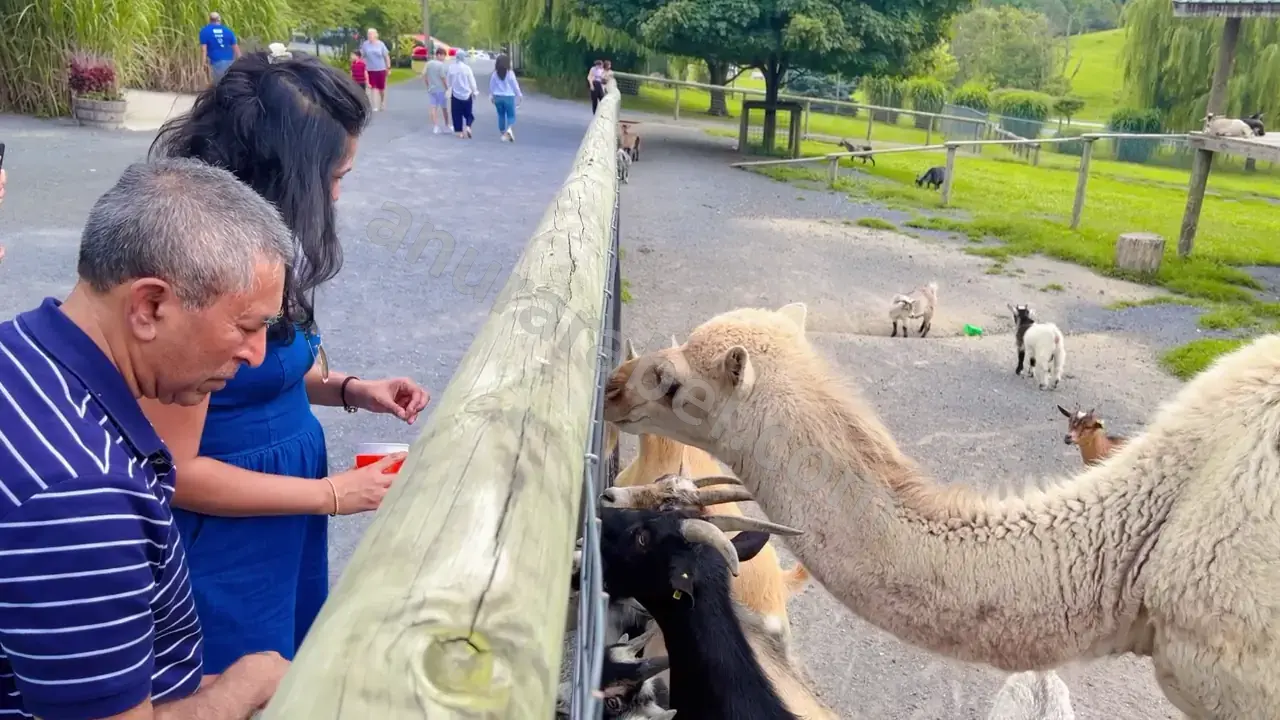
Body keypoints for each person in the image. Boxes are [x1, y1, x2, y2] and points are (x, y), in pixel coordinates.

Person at [145, 48, 432, 676]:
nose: (336, 194)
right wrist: (331, 493)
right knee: (234, 682)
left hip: (282, 518)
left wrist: (355, 389)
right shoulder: (194, 267)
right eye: (336, 175)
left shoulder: (260, 249)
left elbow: (266, 371)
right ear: (287, 172)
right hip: (223, 541)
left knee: (283, 670)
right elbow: (178, 472)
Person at [0, 157, 295, 719]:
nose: (256, 355)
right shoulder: (81, 496)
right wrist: (242, 686)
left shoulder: (19, 354)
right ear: (149, 306)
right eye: (248, 326)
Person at [489, 53, 523, 142]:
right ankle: (509, 129)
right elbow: (515, 85)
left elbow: (491, 86)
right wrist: (519, 95)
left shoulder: (494, 74)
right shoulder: (510, 73)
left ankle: (503, 132)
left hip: (498, 97)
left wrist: (491, 96)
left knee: (501, 115)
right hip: (509, 97)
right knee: (511, 115)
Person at [199, 11, 240, 84]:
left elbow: (203, 50)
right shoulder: (228, 31)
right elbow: (236, 48)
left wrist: (202, 64)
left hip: (217, 62)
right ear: (219, 19)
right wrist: (241, 61)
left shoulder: (205, 31)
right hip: (230, 62)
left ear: (209, 19)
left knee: (219, 85)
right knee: (230, 83)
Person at [446, 49, 479, 139]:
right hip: (467, 95)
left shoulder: (451, 68)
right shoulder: (467, 68)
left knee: (456, 114)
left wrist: (449, 87)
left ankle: (459, 132)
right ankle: (468, 126)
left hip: (456, 95)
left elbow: (448, 81)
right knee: (468, 113)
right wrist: (475, 91)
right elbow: (472, 81)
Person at [360, 28, 391, 111]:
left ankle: (382, 101)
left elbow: (386, 56)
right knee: (372, 87)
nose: (369, 36)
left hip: (381, 69)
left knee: (381, 88)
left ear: (375, 35)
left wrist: (388, 67)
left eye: (371, 34)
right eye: (368, 34)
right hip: (370, 69)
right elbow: (362, 56)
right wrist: (360, 65)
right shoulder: (365, 44)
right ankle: (375, 106)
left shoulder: (381, 44)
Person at [424, 46, 449, 134]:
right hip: (441, 89)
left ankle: (435, 126)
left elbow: (424, 75)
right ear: (438, 55)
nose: (444, 58)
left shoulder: (428, 63)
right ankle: (446, 126)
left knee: (433, 107)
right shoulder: (440, 65)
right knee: (444, 108)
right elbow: (443, 78)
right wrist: (447, 88)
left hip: (432, 89)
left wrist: (427, 85)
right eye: (443, 56)